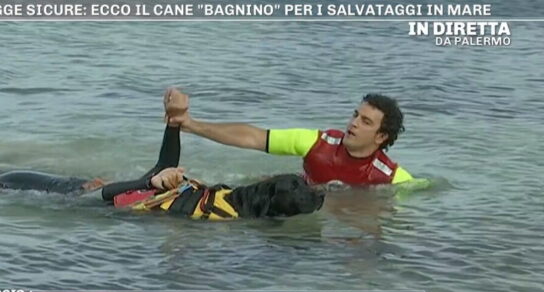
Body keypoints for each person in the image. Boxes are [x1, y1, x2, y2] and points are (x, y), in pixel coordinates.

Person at [0, 99, 324, 220]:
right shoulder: (223, 208)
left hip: (63, 192)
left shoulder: (205, 206)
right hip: (75, 190)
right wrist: (174, 126)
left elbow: (154, 179)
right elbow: (156, 178)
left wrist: (174, 128)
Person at [163, 88, 415, 186]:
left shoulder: (393, 178)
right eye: (355, 115)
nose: (354, 123)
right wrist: (192, 125)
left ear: (381, 136)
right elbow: (253, 137)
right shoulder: (317, 143)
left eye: (365, 121)